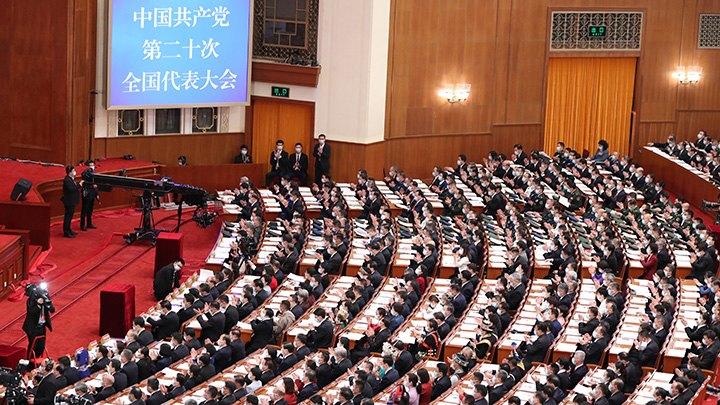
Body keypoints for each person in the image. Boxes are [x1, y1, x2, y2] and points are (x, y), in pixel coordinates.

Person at [22, 284, 55, 359]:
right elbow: (31, 311)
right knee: (33, 346)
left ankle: (36, 360)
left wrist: (47, 300)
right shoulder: (30, 300)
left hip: (42, 327)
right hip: (32, 327)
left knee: (41, 347)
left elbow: (52, 310)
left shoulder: (45, 297)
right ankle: (30, 361)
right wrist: (38, 305)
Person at [61, 164, 80, 238]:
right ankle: (66, 232)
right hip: (69, 201)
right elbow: (71, 189)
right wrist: (79, 185)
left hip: (72, 201)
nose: (75, 171)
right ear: (70, 172)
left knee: (70, 216)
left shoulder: (71, 178)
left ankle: (69, 229)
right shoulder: (67, 180)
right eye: (73, 170)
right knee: (68, 216)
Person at [79, 160, 98, 231]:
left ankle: (89, 223)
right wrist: (90, 170)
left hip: (92, 193)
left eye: (93, 165)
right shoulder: (85, 173)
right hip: (86, 193)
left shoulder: (94, 173)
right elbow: (84, 176)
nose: (92, 167)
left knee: (90, 210)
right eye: (90, 165)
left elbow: (95, 184)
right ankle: (82, 225)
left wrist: (96, 194)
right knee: (84, 210)